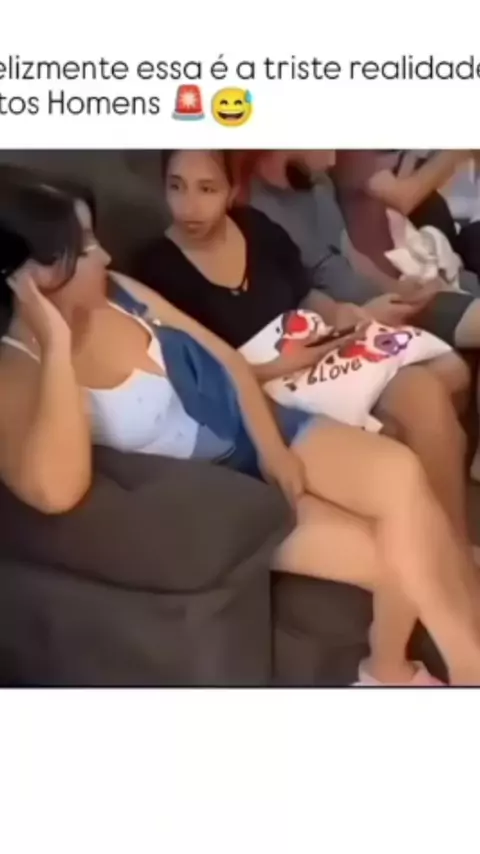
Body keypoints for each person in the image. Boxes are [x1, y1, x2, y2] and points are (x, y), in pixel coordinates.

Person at [2, 174, 480, 686]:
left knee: (401, 474)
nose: (104, 256)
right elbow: (55, 490)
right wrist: (55, 342)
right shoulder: (17, 369)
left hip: (251, 425)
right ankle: (408, 671)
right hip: (219, 491)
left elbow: (226, 360)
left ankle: (431, 668)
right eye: (82, 249)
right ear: (27, 277)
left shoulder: (120, 291)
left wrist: (274, 450)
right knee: (386, 550)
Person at [131, 148, 476, 552]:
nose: (189, 205)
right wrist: (281, 365)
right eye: (177, 187)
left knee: (425, 393)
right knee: (404, 427)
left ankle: (455, 552)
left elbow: (306, 294)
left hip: (315, 350)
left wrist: (341, 313)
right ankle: (440, 557)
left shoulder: (257, 227)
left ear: (231, 190)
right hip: (261, 389)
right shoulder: (154, 269)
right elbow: (193, 376)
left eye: (207, 189)